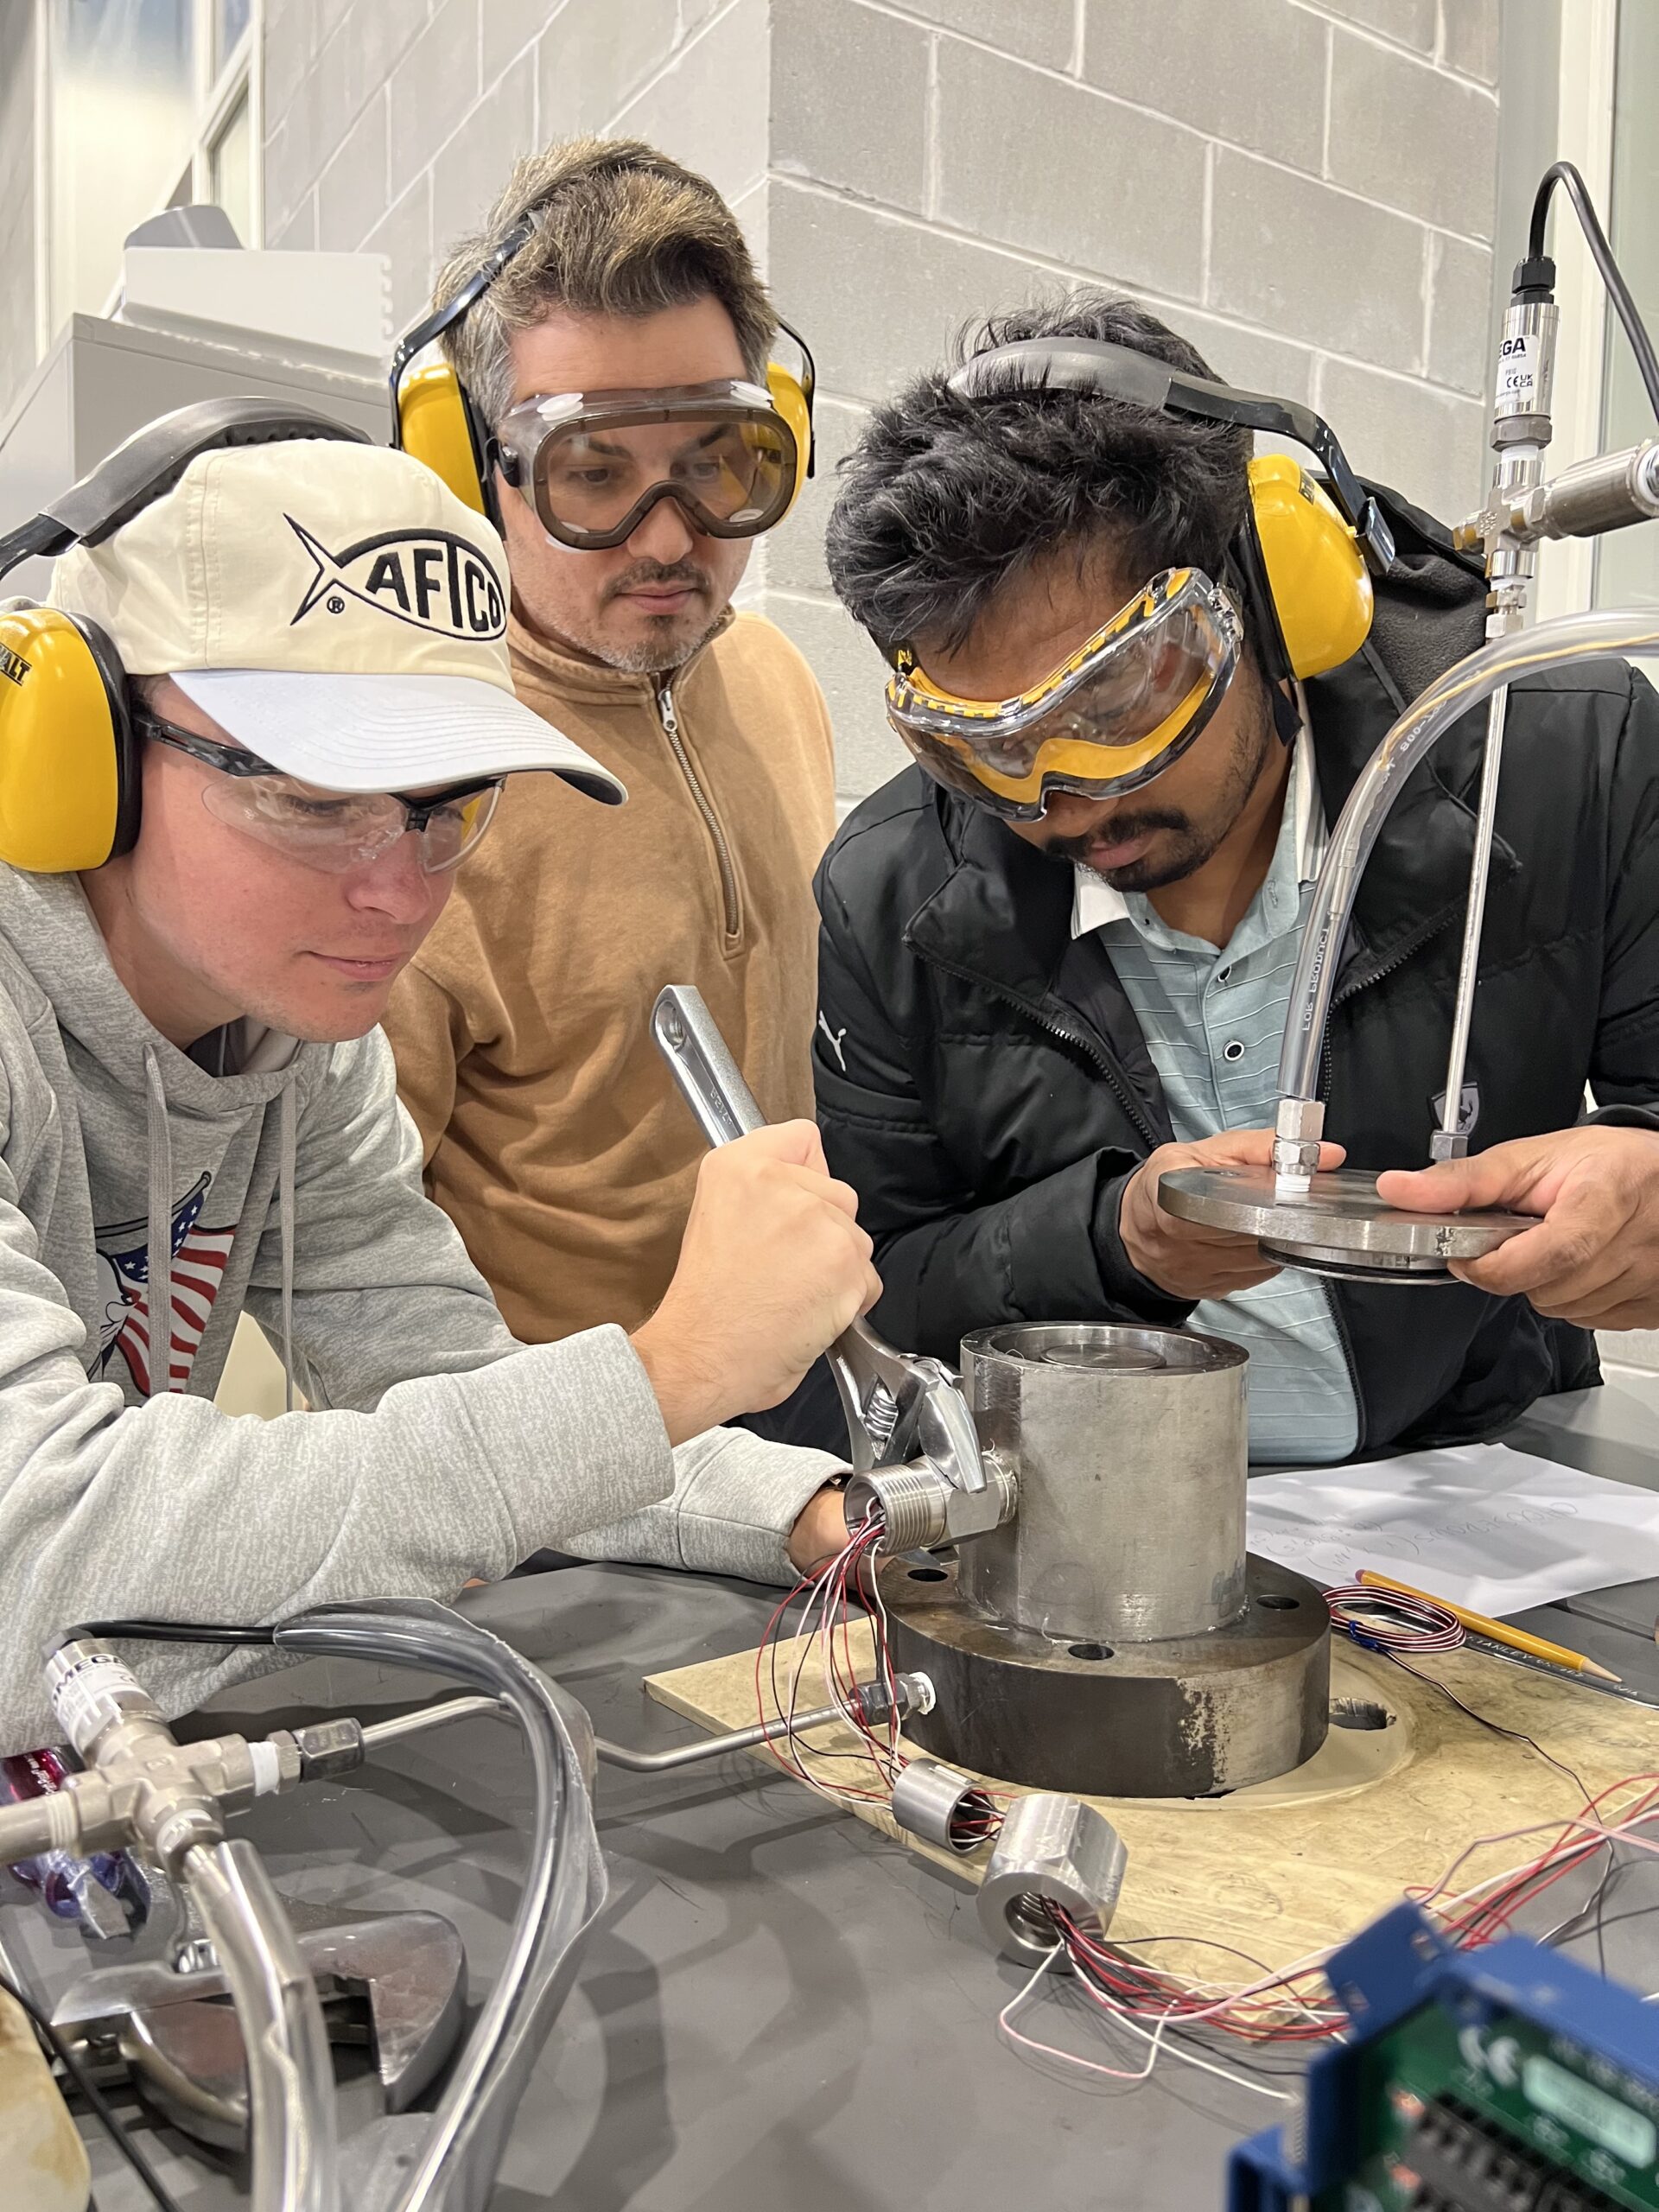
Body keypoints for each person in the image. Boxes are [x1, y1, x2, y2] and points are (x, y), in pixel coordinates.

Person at [0, 416, 862, 1752]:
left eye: (445, 806)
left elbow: (451, 1378)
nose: (404, 896)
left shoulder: (300, 1042)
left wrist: (804, 1510)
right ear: (78, 749)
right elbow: (26, 1565)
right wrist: (671, 1370)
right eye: (315, 798)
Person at [811, 292, 1659, 1467]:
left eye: (1116, 702)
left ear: (1268, 597)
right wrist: (1114, 1242)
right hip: (1092, 1498)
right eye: (989, 748)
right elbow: (875, 1293)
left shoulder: (1560, 755)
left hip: (1479, 1468)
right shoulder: (893, 891)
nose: (1063, 802)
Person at [383, 137, 838, 1351]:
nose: (669, 539)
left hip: (801, 1395)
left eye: (715, 464)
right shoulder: (412, 790)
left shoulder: (776, 679)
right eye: (594, 474)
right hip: (568, 1444)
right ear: (475, 471)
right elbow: (352, 1263)